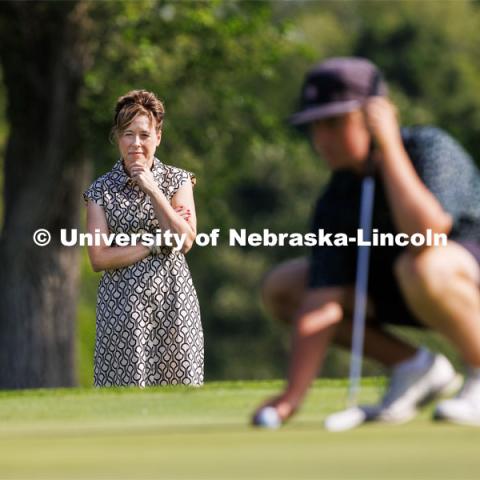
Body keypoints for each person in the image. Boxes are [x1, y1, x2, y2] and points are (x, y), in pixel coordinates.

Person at [253, 57, 480, 426]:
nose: (322, 139)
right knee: (286, 285)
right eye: (316, 127)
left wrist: (389, 147)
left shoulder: (430, 148)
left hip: (459, 279)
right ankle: (415, 368)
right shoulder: (338, 195)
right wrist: (291, 398)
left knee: (423, 264)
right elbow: (321, 301)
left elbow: (427, 233)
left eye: (334, 123)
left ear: (374, 117)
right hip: (411, 289)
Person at [83, 89, 203, 387]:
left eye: (144, 135)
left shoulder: (178, 181)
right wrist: (153, 243)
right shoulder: (100, 190)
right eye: (128, 134)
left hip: (174, 303)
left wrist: (152, 189)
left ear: (157, 137)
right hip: (121, 309)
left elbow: (185, 240)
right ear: (117, 138)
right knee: (124, 394)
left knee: (181, 389)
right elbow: (99, 258)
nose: (136, 143)